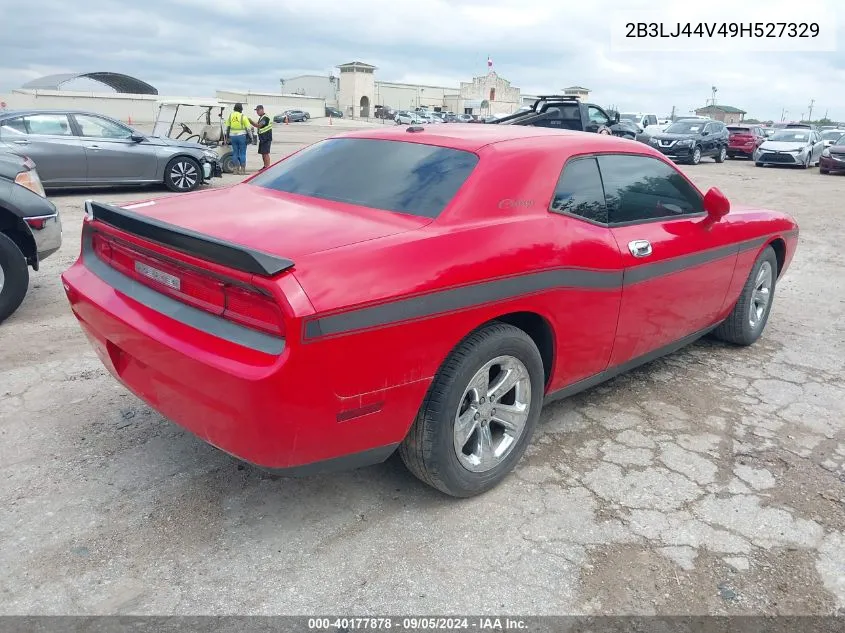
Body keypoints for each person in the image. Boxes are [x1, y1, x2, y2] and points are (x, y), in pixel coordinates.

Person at [225, 103, 251, 175]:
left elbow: (227, 128)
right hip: (242, 136)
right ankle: (242, 170)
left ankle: (235, 170)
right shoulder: (243, 116)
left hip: (232, 137)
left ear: (234, 109)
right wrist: (251, 137)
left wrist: (227, 138)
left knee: (235, 153)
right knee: (242, 153)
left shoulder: (230, 116)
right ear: (241, 109)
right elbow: (248, 129)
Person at [248, 105, 273, 170]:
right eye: (256, 111)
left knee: (265, 153)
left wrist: (251, 121)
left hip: (266, 138)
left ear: (262, 109)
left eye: (258, 110)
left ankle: (267, 167)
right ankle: (265, 166)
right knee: (263, 153)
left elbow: (259, 125)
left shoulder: (265, 118)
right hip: (262, 138)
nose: (257, 112)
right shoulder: (261, 117)